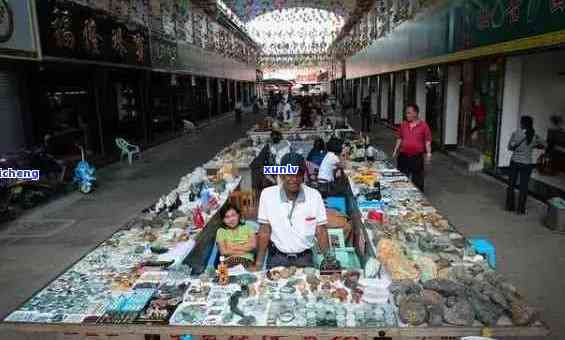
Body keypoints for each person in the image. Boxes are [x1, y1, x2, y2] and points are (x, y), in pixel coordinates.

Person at [255, 152, 329, 269]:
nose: (293, 179)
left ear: (303, 175)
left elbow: (321, 231)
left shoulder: (314, 196)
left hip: (305, 259)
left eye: (298, 174)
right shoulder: (267, 195)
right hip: (277, 258)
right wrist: (259, 264)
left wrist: (329, 260)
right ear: (281, 175)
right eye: (289, 174)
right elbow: (264, 231)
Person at [506, 116, 545, 214]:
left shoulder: (516, 133)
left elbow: (510, 147)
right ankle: (520, 210)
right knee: (523, 187)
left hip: (515, 162)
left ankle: (510, 207)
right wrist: (535, 145)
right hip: (527, 164)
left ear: (522, 123)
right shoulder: (534, 135)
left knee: (511, 185)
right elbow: (545, 145)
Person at [392, 104, 432, 191]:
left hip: (416, 157)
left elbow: (427, 141)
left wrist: (429, 154)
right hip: (403, 156)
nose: (407, 115)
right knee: (401, 178)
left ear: (416, 113)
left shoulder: (424, 126)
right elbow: (399, 138)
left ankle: (419, 199)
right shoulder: (403, 125)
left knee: (418, 181)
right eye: (406, 113)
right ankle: (401, 195)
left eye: (409, 113)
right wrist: (395, 150)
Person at [216, 203, 256, 268]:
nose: (231, 219)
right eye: (227, 217)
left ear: (238, 215)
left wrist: (232, 247)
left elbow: (253, 246)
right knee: (224, 274)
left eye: (233, 215)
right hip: (229, 261)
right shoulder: (221, 231)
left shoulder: (248, 227)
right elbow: (223, 252)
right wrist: (244, 248)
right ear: (223, 220)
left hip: (247, 259)